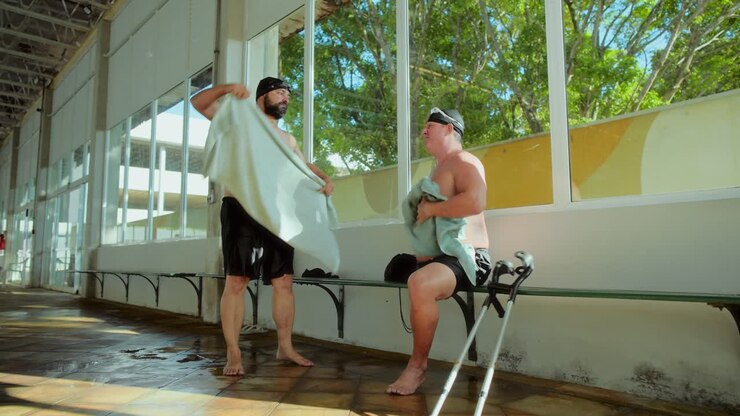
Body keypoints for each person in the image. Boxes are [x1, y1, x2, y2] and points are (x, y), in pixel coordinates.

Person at [191, 77, 334, 376]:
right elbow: (199, 103)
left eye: (288, 95)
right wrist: (228, 88)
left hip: (276, 215)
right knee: (237, 282)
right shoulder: (239, 122)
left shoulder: (288, 139)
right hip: (240, 209)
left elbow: (302, 166)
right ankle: (233, 352)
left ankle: (285, 347)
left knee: (283, 282)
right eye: (280, 92)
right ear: (263, 96)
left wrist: (324, 178)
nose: (285, 98)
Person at [387, 107, 491, 395]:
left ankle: (417, 368)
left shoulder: (464, 160)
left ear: (449, 129)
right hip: (440, 259)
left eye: (430, 125)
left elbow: (476, 200)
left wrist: (431, 208)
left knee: (419, 283)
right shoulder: (438, 169)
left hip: (468, 258)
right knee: (406, 274)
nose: (424, 131)